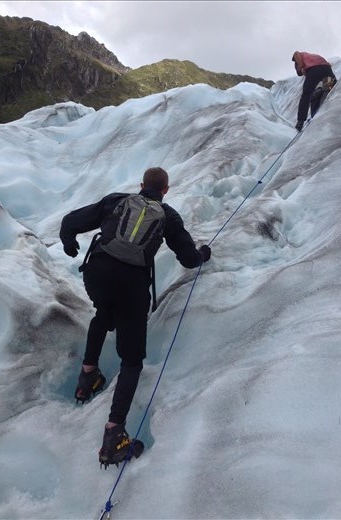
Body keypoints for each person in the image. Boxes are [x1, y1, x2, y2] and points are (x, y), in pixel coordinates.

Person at [59, 167, 211, 467]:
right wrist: (203, 255)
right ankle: (114, 436)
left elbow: (70, 222)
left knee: (103, 313)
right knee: (131, 360)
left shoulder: (116, 201)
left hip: (98, 273)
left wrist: (68, 243)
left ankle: (88, 377)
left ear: (141, 186)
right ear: (165, 190)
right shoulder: (167, 216)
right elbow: (189, 258)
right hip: (132, 286)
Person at [292, 51, 337, 131]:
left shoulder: (299, 57)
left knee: (306, 95)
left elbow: (296, 53)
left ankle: (300, 122)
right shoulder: (312, 56)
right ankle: (321, 93)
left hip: (314, 70)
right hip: (327, 69)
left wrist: (302, 67)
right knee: (328, 88)